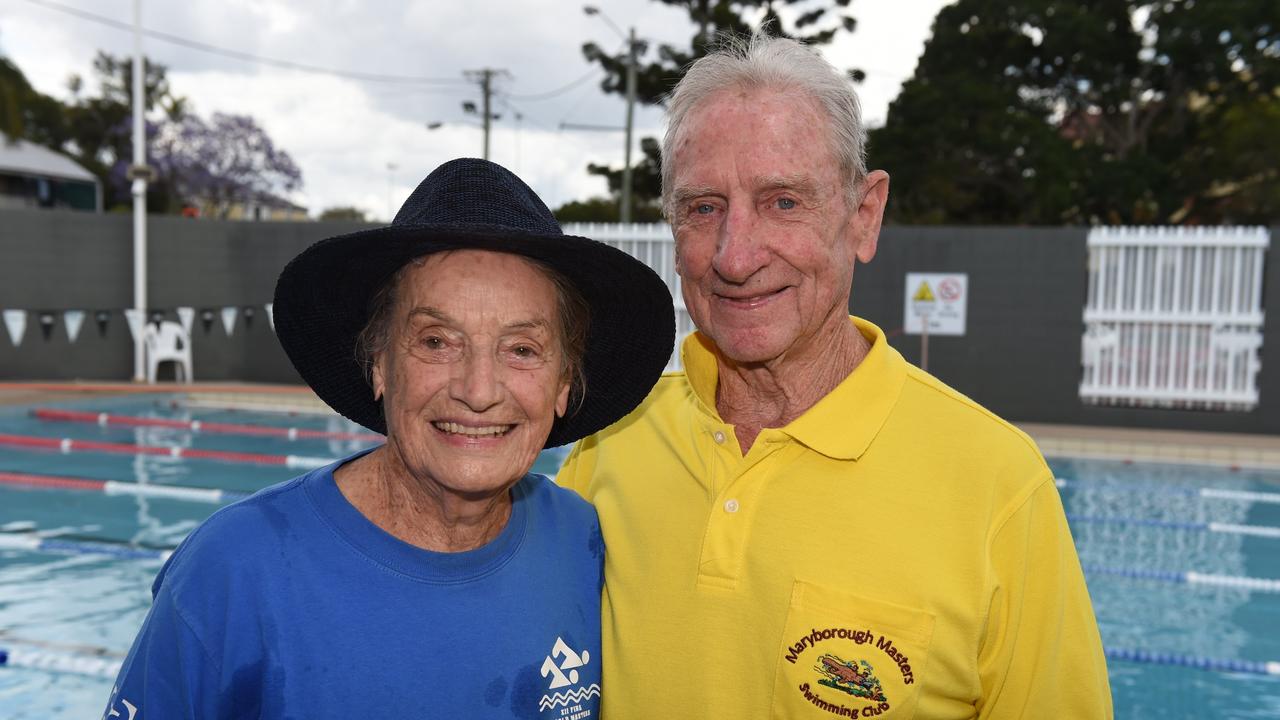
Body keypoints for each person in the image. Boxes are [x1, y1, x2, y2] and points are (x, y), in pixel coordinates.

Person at [557, 33, 1113, 719]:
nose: (735, 256)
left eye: (783, 201)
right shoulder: (610, 443)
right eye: (704, 208)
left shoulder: (999, 487)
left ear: (864, 216)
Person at [103, 158, 675, 719]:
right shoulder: (233, 569)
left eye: (521, 349)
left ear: (562, 384)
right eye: (435, 341)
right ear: (379, 363)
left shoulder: (579, 541)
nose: (478, 390)